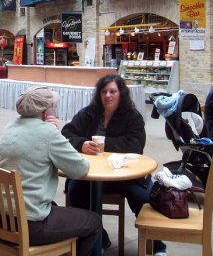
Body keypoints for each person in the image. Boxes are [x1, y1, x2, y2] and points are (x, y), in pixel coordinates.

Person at [61, 74, 167, 256]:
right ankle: (98, 238)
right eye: (104, 91)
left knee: (142, 197)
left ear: (121, 94)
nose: (108, 95)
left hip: (125, 175)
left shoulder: (132, 116)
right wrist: (82, 144)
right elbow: (67, 133)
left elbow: (135, 144)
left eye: (112, 91)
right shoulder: (89, 113)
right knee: (75, 190)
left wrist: (105, 145)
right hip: (91, 174)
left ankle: (156, 246)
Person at [0, 85, 101, 255]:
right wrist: (54, 132)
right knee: (94, 222)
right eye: (53, 107)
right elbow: (79, 169)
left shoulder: (10, 126)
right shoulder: (48, 132)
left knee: (55, 207)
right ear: (45, 112)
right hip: (28, 225)